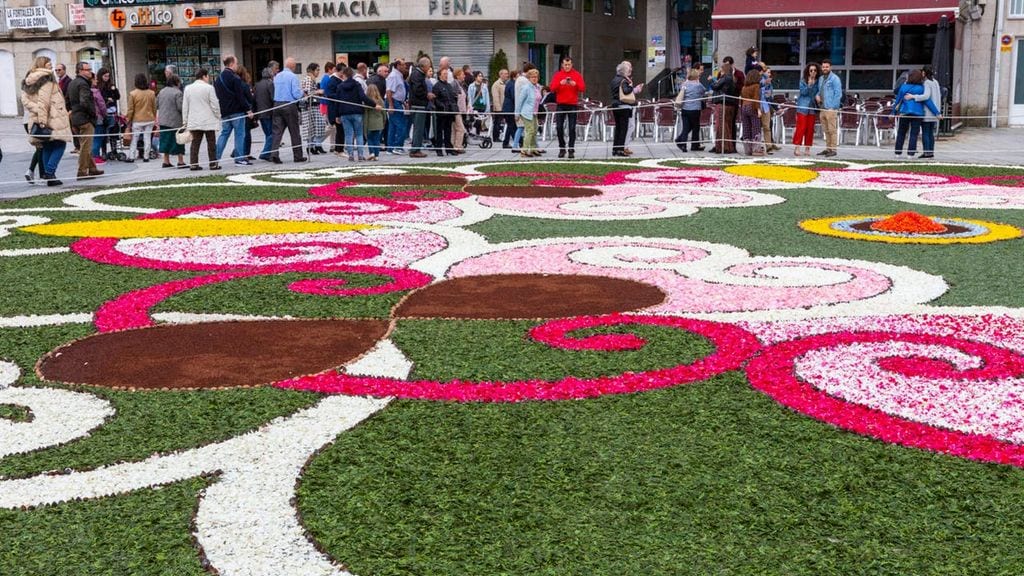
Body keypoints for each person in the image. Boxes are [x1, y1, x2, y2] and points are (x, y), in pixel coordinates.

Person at [21, 56, 71, 186]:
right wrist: (42, 121)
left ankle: (48, 174)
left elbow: (25, 100)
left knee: (47, 145)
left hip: (40, 116)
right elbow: (43, 102)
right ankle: (49, 172)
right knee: (60, 143)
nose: (51, 65)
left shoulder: (29, 79)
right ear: (42, 65)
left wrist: (35, 109)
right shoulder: (46, 80)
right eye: (49, 63)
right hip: (51, 117)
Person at [332, 66, 380, 162]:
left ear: (344, 75)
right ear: (353, 75)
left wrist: (336, 115)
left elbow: (337, 102)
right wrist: (375, 105)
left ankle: (350, 155)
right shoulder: (357, 84)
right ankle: (361, 155)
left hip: (344, 113)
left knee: (348, 135)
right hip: (357, 112)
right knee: (359, 134)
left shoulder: (340, 87)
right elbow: (363, 97)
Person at [214, 55, 254, 166]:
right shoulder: (235, 78)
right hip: (237, 111)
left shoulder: (219, 78)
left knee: (224, 134)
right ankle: (239, 158)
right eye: (236, 63)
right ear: (231, 64)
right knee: (240, 134)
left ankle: (215, 158)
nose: (237, 66)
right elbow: (240, 96)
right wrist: (248, 110)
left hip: (225, 111)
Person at [67, 61, 103, 180]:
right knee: (86, 147)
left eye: (90, 69)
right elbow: (85, 101)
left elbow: (67, 101)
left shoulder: (72, 83)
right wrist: (93, 114)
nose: (90, 71)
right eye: (87, 69)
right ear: (80, 71)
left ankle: (92, 168)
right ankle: (82, 171)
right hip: (84, 118)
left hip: (76, 117)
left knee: (85, 144)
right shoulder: (83, 84)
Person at [893, 69, 940, 157]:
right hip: (918, 114)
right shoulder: (922, 88)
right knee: (914, 134)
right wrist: (937, 112)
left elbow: (897, 101)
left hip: (905, 112)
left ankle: (898, 152)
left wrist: (893, 113)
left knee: (901, 133)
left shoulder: (903, 87)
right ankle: (910, 154)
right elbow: (928, 101)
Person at [182, 68, 221, 171]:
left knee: (195, 143)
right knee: (211, 142)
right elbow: (215, 104)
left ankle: (193, 164)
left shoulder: (188, 88)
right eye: (208, 76)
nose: (208, 78)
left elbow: (185, 106)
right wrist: (218, 115)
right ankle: (213, 164)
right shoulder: (209, 88)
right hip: (208, 120)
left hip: (194, 120)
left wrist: (185, 121)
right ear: (204, 76)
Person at [270, 57, 307, 163]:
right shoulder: (293, 76)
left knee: (277, 131)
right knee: (294, 131)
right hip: (289, 105)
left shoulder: (277, 76)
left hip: (277, 104)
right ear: (293, 66)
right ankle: (298, 156)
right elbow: (296, 94)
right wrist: (303, 93)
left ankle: (274, 154)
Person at [549, 56, 586, 159]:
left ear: (572, 64)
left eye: (569, 64)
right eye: (565, 65)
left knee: (572, 127)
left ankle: (571, 148)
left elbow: (583, 88)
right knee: (559, 127)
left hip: (572, 104)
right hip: (561, 104)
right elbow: (552, 89)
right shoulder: (558, 75)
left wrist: (575, 84)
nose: (567, 66)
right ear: (562, 65)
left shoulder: (577, 75)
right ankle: (562, 147)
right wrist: (560, 83)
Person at [610, 61, 643, 157]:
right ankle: (620, 149)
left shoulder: (614, 79)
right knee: (623, 129)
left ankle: (615, 149)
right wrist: (631, 86)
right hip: (624, 107)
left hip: (616, 106)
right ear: (624, 72)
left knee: (618, 128)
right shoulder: (623, 80)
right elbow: (626, 91)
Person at [909, 66, 942, 159]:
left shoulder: (927, 82)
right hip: (935, 110)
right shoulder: (935, 82)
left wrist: (914, 96)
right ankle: (931, 151)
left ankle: (926, 152)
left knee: (926, 132)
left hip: (928, 111)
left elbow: (926, 96)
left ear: (924, 72)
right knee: (930, 133)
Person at [125, 73, 157, 163]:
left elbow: (131, 109)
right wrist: (154, 117)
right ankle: (146, 156)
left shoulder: (133, 94)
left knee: (134, 139)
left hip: (137, 120)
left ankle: (131, 157)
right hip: (149, 119)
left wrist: (128, 120)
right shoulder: (151, 93)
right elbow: (154, 107)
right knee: (147, 138)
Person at [157, 74, 186, 168]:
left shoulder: (161, 91)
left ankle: (166, 161)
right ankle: (180, 161)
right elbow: (180, 107)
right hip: (175, 121)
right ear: (176, 82)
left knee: (165, 141)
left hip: (163, 121)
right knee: (178, 141)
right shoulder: (178, 93)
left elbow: (156, 104)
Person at [674, 67, 706, 152]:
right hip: (695, 109)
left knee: (686, 127)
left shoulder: (684, 84)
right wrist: (698, 82)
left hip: (685, 109)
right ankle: (694, 145)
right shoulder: (698, 85)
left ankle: (683, 145)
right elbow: (704, 91)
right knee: (695, 127)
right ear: (696, 77)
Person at [407, 57, 433, 158]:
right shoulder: (417, 75)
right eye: (429, 65)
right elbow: (417, 90)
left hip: (418, 104)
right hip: (418, 105)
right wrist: (427, 95)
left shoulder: (418, 74)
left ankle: (416, 148)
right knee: (418, 128)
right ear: (424, 66)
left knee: (419, 128)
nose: (430, 67)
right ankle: (415, 150)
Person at [816, 59, 842, 157]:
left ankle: (833, 149)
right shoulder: (821, 78)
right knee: (826, 130)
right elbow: (820, 90)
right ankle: (828, 148)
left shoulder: (835, 79)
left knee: (832, 130)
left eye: (826, 67)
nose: (825, 68)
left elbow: (838, 94)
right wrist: (817, 95)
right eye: (823, 67)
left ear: (830, 67)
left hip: (831, 108)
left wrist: (833, 107)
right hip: (822, 108)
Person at [710, 58, 737, 154]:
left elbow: (715, 86)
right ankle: (728, 146)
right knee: (727, 126)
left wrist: (711, 80)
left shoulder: (725, 78)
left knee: (721, 126)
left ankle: (723, 147)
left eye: (721, 69)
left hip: (722, 104)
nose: (720, 71)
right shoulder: (733, 78)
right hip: (730, 105)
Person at [793, 62, 821, 156]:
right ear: (808, 71)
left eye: (815, 70)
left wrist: (814, 87)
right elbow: (803, 92)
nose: (813, 72)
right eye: (811, 70)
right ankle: (797, 147)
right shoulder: (803, 80)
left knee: (810, 129)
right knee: (801, 128)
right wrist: (809, 85)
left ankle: (807, 148)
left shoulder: (818, 81)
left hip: (812, 107)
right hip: (803, 107)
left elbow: (817, 93)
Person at [301, 62, 326, 156]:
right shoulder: (308, 79)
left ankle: (313, 146)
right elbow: (307, 93)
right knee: (312, 126)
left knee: (315, 126)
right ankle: (311, 146)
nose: (318, 72)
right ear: (312, 70)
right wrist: (318, 91)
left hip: (313, 106)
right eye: (317, 70)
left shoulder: (311, 79)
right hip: (310, 106)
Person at [516, 68, 542, 157]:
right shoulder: (526, 87)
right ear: (529, 78)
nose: (534, 78)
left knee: (535, 130)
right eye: (532, 77)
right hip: (526, 113)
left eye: (536, 77)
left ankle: (534, 148)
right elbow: (520, 101)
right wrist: (517, 114)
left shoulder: (537, 87)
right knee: (530, 130)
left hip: (534, 112)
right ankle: (524, 150)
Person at [432, 68, 457, 156]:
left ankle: (448, 148)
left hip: (449, 112)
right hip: (441, 112)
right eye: (444, 74)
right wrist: (441, 105)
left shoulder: (449, 85)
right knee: (439, 131)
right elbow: (435, 99)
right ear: (439, 75)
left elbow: (452, 98)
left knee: (448, 130)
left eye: (447, 74)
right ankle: (438, 149)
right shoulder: (437, 86)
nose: (446, 75)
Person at [739, 69, 764, 156]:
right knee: (756, 127)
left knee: (746, 128)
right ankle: (756, 149)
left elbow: (741, 99)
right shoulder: (756, 86)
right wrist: (758, 110)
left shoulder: (744, 87)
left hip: (744, 107)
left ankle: (747, 150)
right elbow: (756, 98)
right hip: (752, 106)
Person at [97, 68, 120, 160]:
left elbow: (118, 96)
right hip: (104, 112)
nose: (107, 78)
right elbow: (99, 99)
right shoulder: (98, 86)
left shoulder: (111, 85)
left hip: (112, 111)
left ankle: (114, 150)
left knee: (114, 132)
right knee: (103, 133)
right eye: (105, 76)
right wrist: (106, 99)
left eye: (108, 76)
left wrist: (114, 91)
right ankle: (104, 151)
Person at [385, 60, 408, 154]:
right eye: (403, 65)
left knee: (393, 126)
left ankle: (390, 148)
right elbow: (389, 91)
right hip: (394, 102)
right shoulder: (394, 76)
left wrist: (404, 102)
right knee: (401, 125)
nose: (405, 67)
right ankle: (398, 146)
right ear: (398, 65)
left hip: (398, 101)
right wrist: (391, 105)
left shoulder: (398, 75)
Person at [324, 64, 347, 156]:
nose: (344, 73)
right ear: (338, 71)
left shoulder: (340, 80)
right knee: (340, 129)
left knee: (341, 129)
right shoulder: (332, 80)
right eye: (343, 71)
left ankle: (339, 149)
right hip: (335, 109)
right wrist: (341, 95)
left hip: (339, 108)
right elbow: (329, 94)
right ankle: (339, 149)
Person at [253, 67, 276, 161]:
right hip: (269, 112)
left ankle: (268, 152)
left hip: (260, 112)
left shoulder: (257, 85)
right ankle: (265, 153)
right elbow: (273, 98)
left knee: (267, 133)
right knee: (271, 134)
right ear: (270, 75)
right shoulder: (270, 84)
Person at [759, 66, 780, 153]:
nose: (769, 74)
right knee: (757, 127)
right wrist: (764, 84)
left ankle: (769, 146)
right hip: (758, 106)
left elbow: (770, 97)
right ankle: (758, 145)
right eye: (768, 72)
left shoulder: (770, 84)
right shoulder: (759, 81)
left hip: (766, 107)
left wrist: (776, 108)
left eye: (770, 73)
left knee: (767, 126)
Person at [364, 84, 387, 160]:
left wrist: (365, 126)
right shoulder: (381, 101)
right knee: (377, 139)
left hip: (370, 123)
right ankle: (377, 155)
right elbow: (384, 113)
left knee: (370, 138)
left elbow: (366, 115)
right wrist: (384, 121)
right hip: (379, 123)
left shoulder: (367, 102)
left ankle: (372, 152)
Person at [467, 71, 491, 137]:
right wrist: (470, 106)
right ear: (475, 77)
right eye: (479, 76)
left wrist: (488, 108)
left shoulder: (484, 86)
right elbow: (469, 97)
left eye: (481, 76)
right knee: (476, 121)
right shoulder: (471, 86)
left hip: (482, 106)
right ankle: (473, 133)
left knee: (479, 121)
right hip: (474, 106)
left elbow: (487, 97)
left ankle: (477, 134)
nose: (481, 77)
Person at [451, 68, 468, 154]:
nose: (464, 76)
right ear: (457, 76)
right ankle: (458, 146)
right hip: (456, 110)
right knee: (460, 128)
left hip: (460, 111)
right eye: (462, 74)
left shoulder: (461, 85)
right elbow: (453, 98)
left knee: (455, 129)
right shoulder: (454, 84)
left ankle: (454, 145)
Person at [491, 68, 509, 143]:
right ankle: (495, 137)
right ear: (500, 74)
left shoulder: (505, 83)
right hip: (499, 108)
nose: (506, 75)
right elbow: (496, 97)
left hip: (504, 107)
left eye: (507, 73)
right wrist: (499, 108)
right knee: (497, 123)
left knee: (504, 122)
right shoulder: (496, 84)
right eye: (505, 74)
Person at [501, 69, 518, 149]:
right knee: (512, 126)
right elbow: (514, 96)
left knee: (510, 126)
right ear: (514, 76)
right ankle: (519, 141)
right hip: (510, 108)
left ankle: (506, 142)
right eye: (518, 76)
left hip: (508, 108)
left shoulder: (510, 83)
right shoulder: (513, 84)